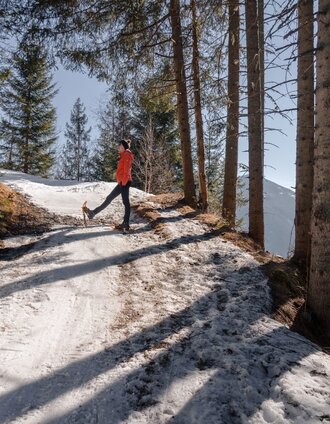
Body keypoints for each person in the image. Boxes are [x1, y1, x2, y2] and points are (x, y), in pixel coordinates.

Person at [83, 139, 134, 231]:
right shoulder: (124, 155)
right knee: (109, 198)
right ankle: (93, 213)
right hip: (122, 182)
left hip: (124, 182)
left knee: (126, 202)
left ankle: (126, 223)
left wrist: (124, 183)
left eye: (120, 145)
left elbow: (126, 170)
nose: (118, 147)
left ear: (123, 146)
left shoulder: (127, 154)